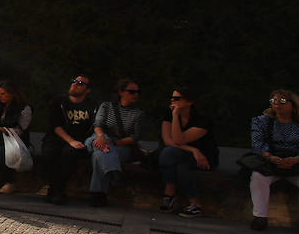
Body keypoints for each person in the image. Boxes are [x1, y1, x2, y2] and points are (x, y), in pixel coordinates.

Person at [157, 87, 219, 218]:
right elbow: (168, 141)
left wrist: (175, 116)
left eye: (177, 98)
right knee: (172, 157)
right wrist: (192, 149)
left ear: (189, 102)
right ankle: (194, 204)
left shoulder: (202, 120)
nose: (173, 101)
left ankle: (169, 194)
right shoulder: (169, 113)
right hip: (184, 153)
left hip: (203, 157)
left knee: (172, 157)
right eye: (172, 98)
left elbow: (179, 140)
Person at [86, 78, 149, 207]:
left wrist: (114, 143)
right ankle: (113, 173)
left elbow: (135, 136)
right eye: (132, 92)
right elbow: (98, 124)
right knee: (102, 148)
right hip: (98, 138)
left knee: (100, 154)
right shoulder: (106, 106)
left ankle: (98, 194)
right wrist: (102, 137)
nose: (135, 95)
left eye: (138, 92)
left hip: (121, 144)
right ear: (121, 92)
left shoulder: (138, 114)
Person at [247, 89, 299, 231]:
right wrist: (271, 157)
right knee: (258, 177)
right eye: (274, 100)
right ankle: (260, 217)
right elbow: (257, 143)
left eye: (282, 101)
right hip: (271, 162)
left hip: (296, 163)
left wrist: (295, 159)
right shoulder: (262, 121)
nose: (277, 104)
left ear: (293, 105)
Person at [40, 75, 95, 205]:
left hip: (79, 140)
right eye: (74, 81)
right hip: (57, 137)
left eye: (80, 83)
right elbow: (55, 126)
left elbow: (94, 127)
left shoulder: (92, 106)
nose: (75, 84)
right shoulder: (58, 102)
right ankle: (55, 189)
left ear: (87, 90)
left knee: (69, 154)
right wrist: (70, 140)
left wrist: (76, 142)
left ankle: (56, 191)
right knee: (49, 153)